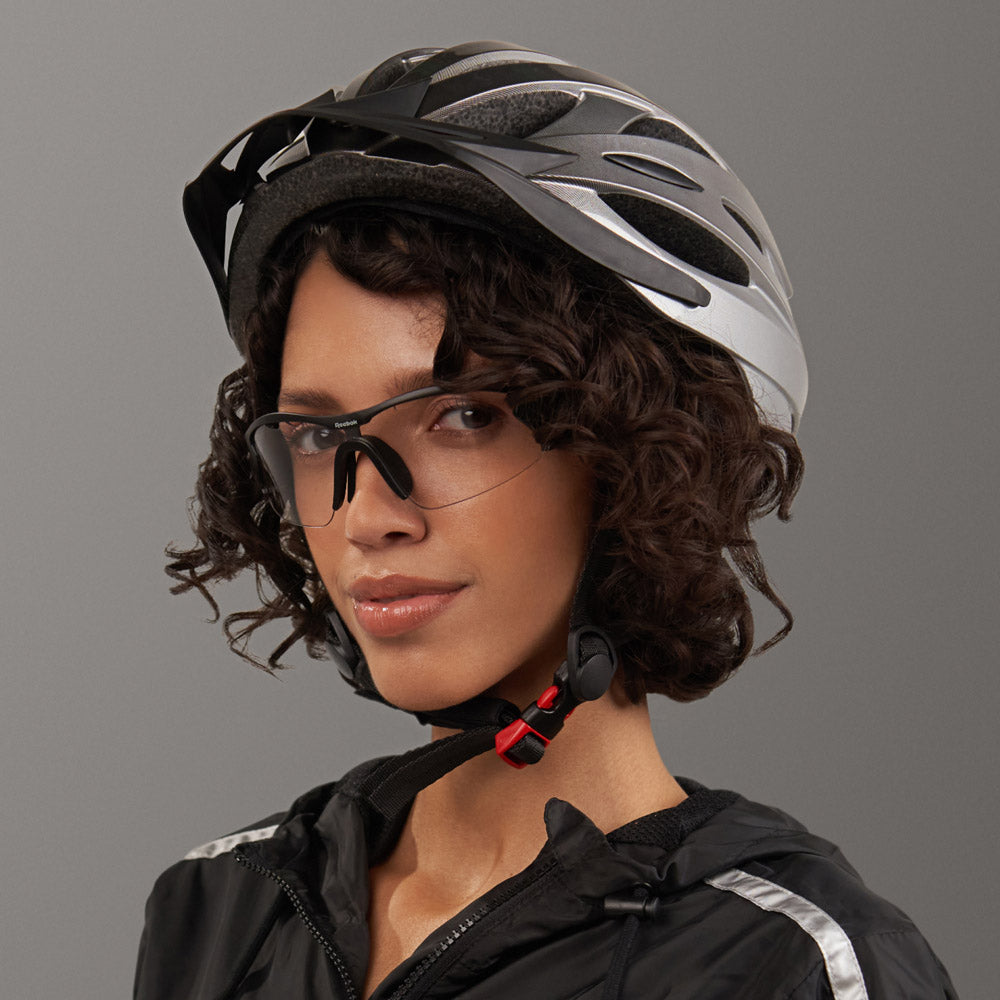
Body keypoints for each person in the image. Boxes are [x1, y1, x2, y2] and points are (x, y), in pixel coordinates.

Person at [135, 41, 957, 999]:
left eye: (463, 417)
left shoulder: (791, 967)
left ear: (632, 452)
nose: (364, 516)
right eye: (319, 436)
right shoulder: (224, 905)